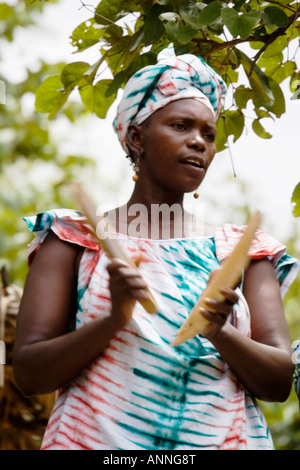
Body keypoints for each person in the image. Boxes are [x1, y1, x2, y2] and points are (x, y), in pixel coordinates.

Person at [13, 45, 299, 451]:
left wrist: (217, 329)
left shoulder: (244, 251)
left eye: (209, 134)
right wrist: (114, 319)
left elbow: (278, 382)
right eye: (181, 126)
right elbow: (29, 374)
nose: (199, 142)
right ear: (136, 136)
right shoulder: (75, 238)